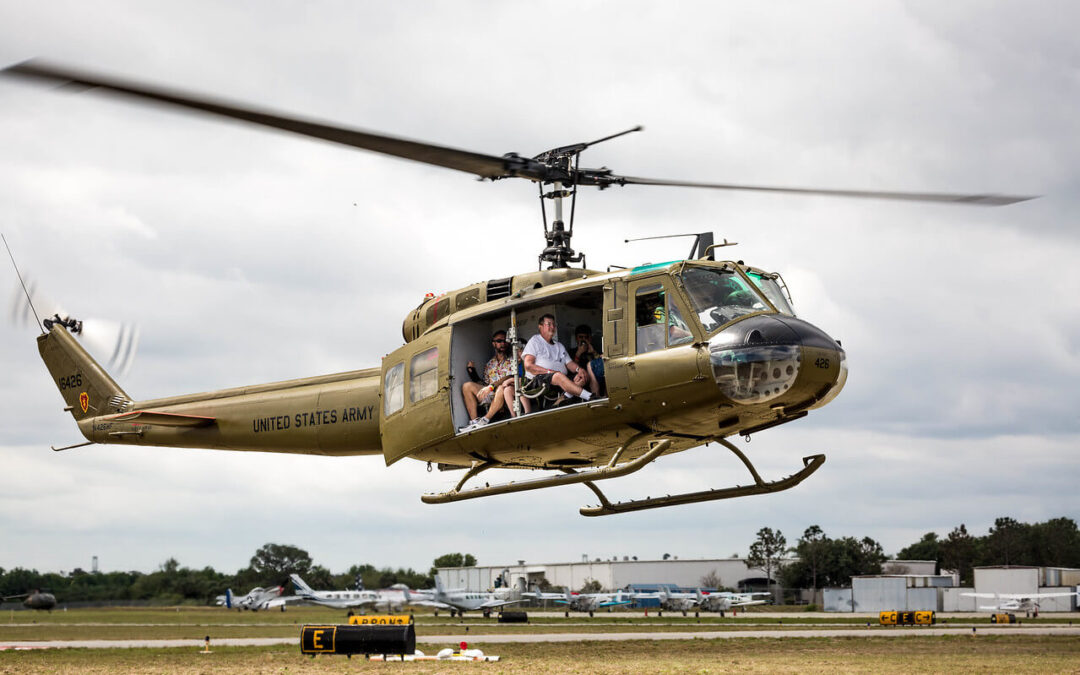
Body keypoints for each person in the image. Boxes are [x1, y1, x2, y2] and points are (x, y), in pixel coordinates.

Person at [522, 314, 592, 404]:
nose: (552, 327)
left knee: (582, 377)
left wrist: (579, 369)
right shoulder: (535, 341)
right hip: (539, 379)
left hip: (559, 378)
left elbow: (569, 363)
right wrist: (549, 372)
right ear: (540, 327)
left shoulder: (559, 345)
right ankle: (590, 397)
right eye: (549, 324)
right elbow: (528, 366)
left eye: (554, 325)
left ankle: (563, 399)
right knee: (558, 376)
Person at [459, 330, 517, 431]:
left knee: (501, 388)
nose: (502, 343)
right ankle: (474, 422)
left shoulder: (513, 358)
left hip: (506, 391)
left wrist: (491, 387)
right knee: (466, 386)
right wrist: (473, 374)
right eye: (499, 341)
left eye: (504, 341)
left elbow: (509, 376)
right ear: (493, 343)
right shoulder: (490, 364)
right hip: (492, 393)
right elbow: (485, 384)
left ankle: (485, 419)